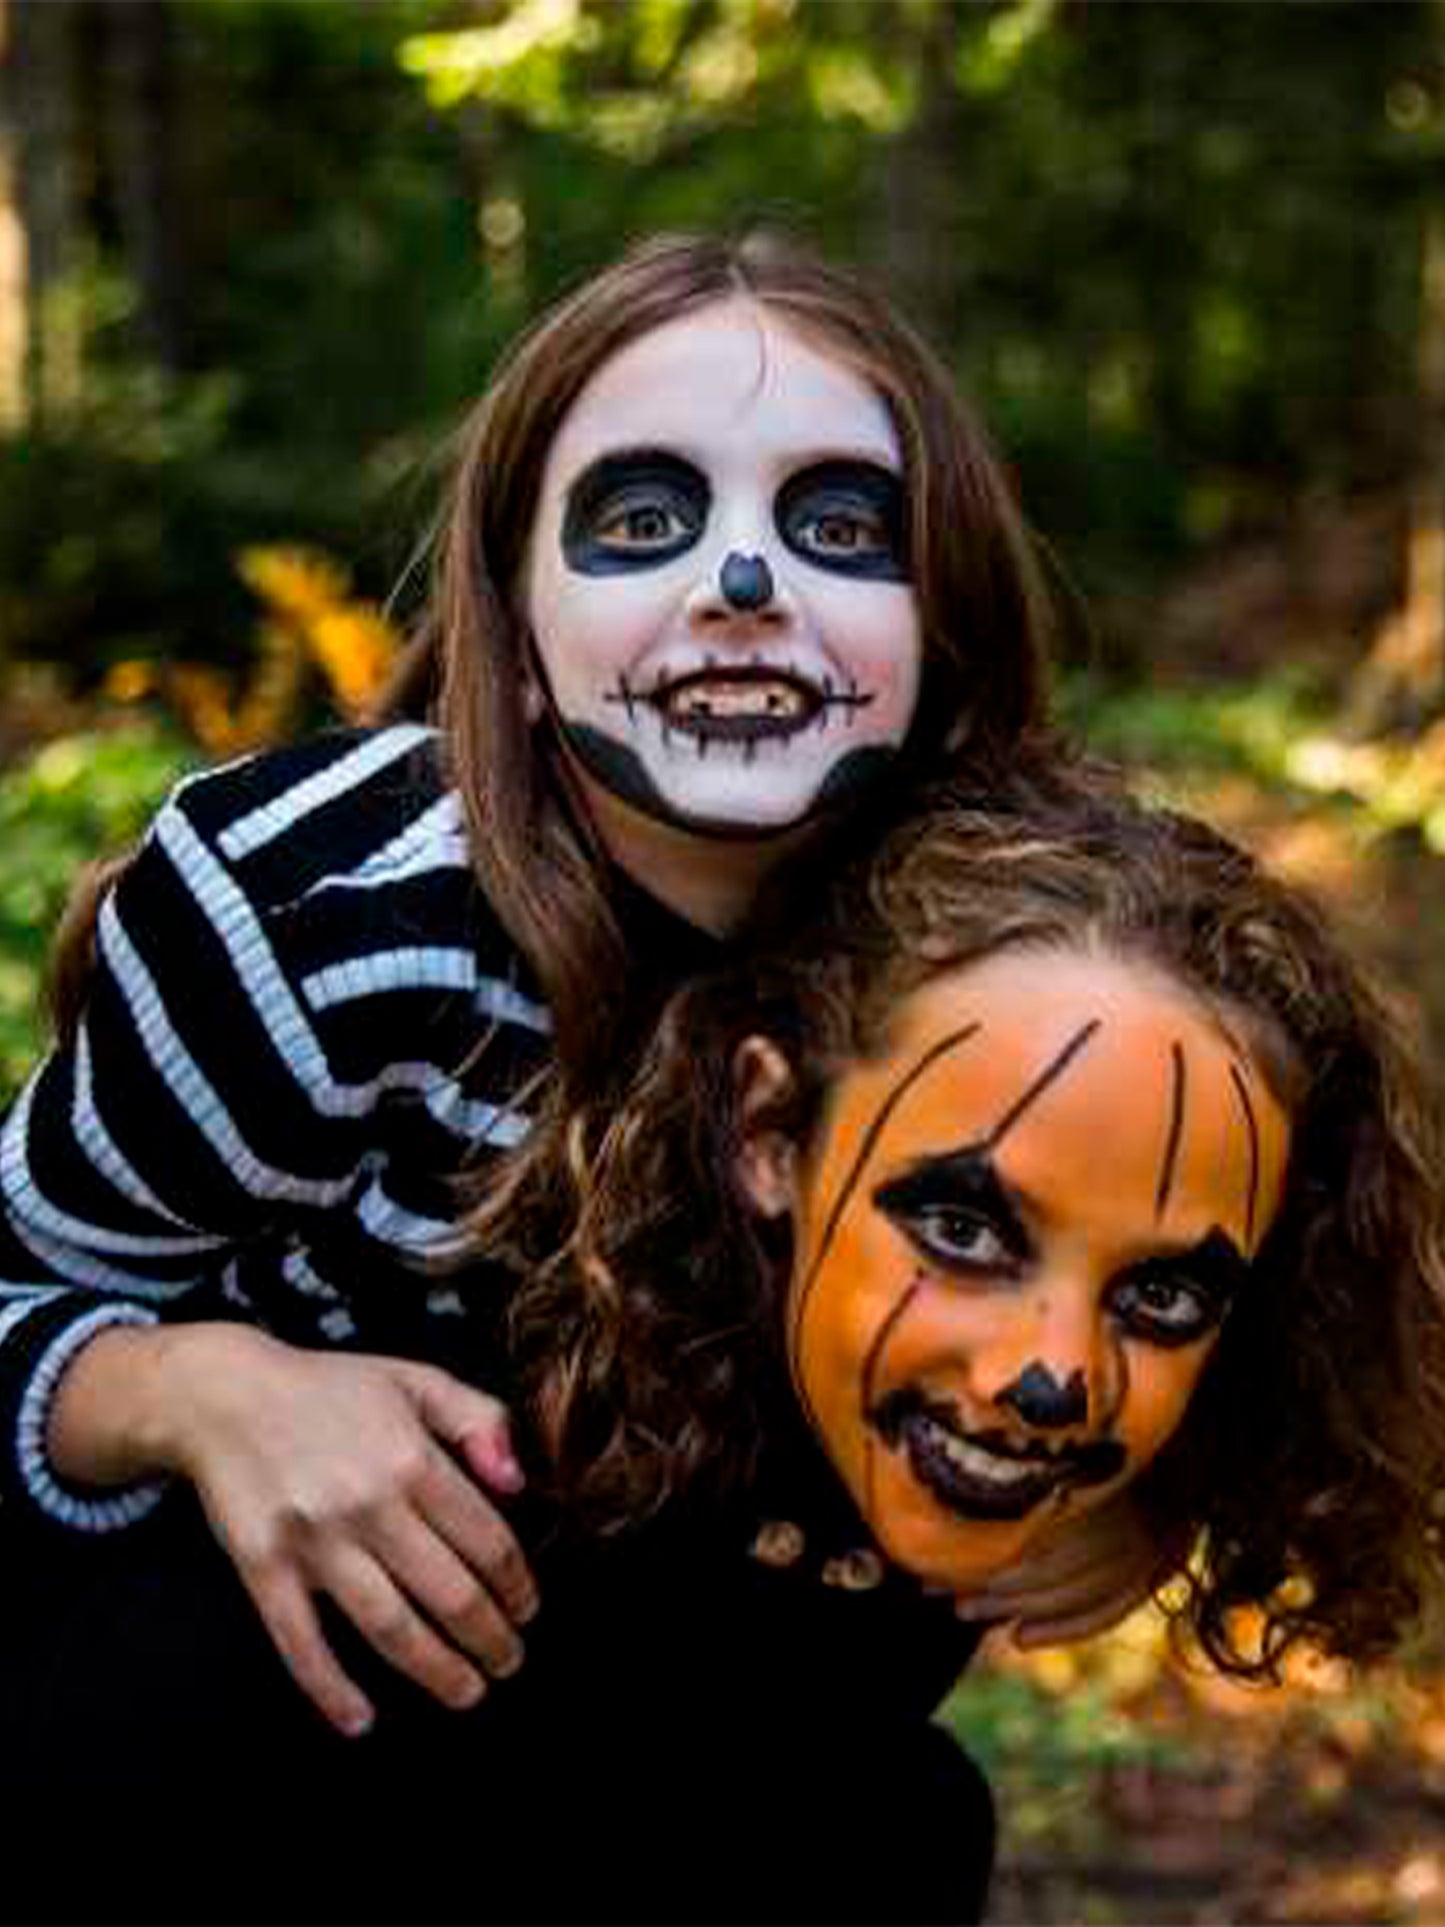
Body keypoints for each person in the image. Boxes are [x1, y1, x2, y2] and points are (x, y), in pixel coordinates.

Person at [0, 225, 1149, 1752]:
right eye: (643, 517)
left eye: (841, 527)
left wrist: (1155, 1478)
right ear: (517, 632)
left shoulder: (1057, 959)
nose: (741, 580)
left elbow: (1251, 1285)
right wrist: (191, 1390)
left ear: (941, 630)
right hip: (240, 1750)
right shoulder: (314, 915)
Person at [5, 764, 1443, 1927]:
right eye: (962, 1229)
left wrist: (1167, 1493)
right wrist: (178, 1388)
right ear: (767, 1133)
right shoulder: (399, 1449)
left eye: (1159, 1299)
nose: (1047, 1373)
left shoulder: (875, 1774)